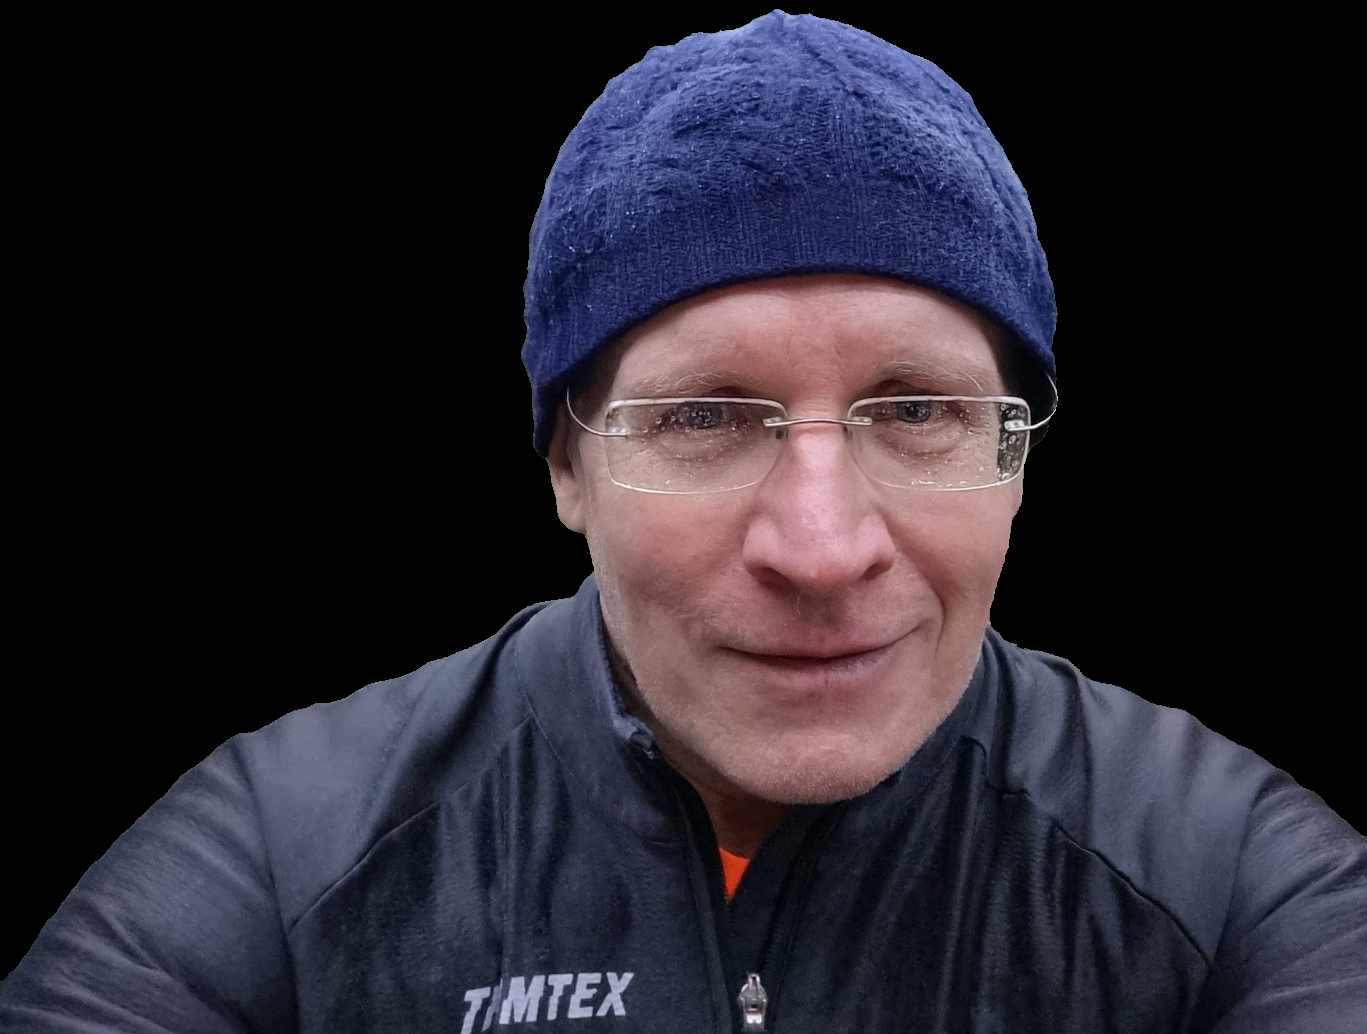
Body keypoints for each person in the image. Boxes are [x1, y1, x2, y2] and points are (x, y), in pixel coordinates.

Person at [4, 11, 1363, 1032]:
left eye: (916, 411)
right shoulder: (280, 856)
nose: (823, 550)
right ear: (567, 467)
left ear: (1015, 457)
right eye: (706, 416)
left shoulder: (1235, 879)